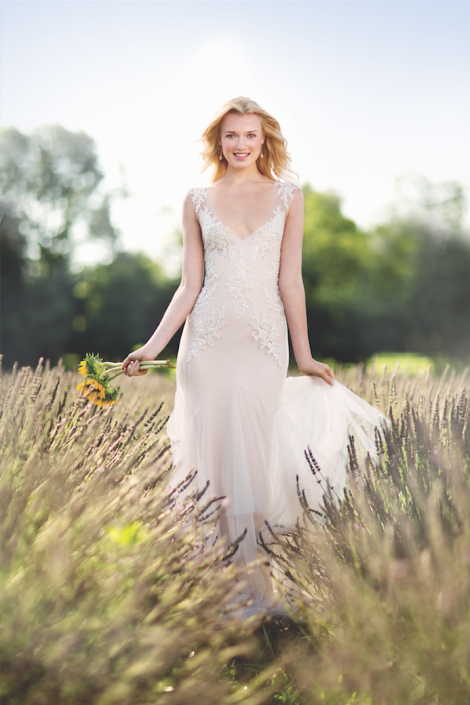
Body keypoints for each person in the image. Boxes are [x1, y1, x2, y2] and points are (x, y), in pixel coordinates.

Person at [122, 96, 388, 616]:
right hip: (207, 346)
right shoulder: (196, 199)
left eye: (250, 135)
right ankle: (224, 587)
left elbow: (291, 280)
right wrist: (152, 348)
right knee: (215, 460)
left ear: (264, 140)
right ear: (217, 142)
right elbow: (189, 285)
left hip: (264, 345)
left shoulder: (289, 197)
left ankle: (251, 582)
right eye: (231, 135)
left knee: (253, 459)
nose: (241, 144)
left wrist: (305, 357)